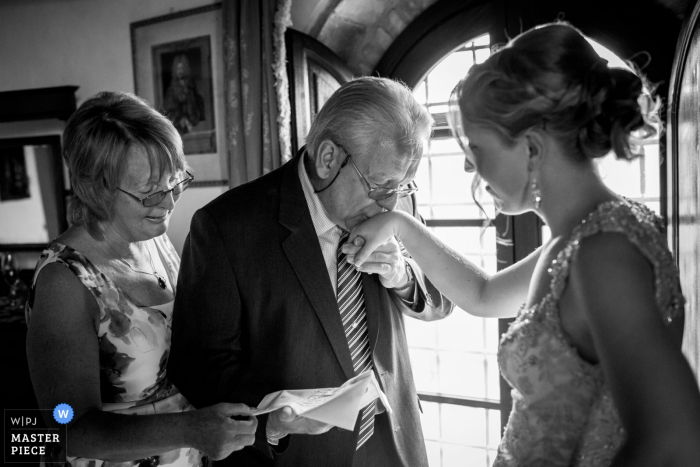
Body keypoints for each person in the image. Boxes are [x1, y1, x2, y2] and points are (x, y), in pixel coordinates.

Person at [346, 22, 700, 467]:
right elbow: (483, 294)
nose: (469, 169)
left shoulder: (604, 253)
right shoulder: (585, 236)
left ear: (531, 147)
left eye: (476, 149)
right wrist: (400, 223)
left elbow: (674, 439)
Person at [168, 77, 454, 467]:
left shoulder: (396, 200)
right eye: (380, 186)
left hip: (394, 443)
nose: (390, 204)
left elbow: (443, 298)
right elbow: (199, 364)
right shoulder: (226, 227)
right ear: (328, 158)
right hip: (296, 456)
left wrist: (401, 274)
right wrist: (272, 418)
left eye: (402, 187)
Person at [25, 91, 258, 466]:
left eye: (174, 182)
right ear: (95, 187)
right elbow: (62, 428)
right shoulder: (64, 283)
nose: (167, 203)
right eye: (149, 193)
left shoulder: (155, 240)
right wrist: (189, 429)